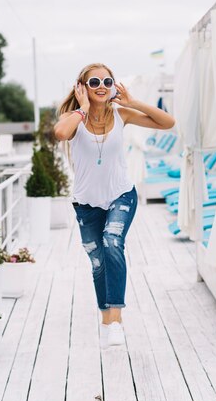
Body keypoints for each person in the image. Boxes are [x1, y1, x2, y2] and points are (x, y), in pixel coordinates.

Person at [54, 63, 175, 347]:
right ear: (82, 86)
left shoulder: (121, 115)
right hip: (86, 203)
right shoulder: (74, 118)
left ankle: (115, 320)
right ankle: (106, 317)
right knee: (97, 262)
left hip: (121, 194)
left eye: (107, 81)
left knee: (112, 242)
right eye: (94, 81)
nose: (102, 86)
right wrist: (82, 108)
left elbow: (167, 123)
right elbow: (61, 133)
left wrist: (134, 102)